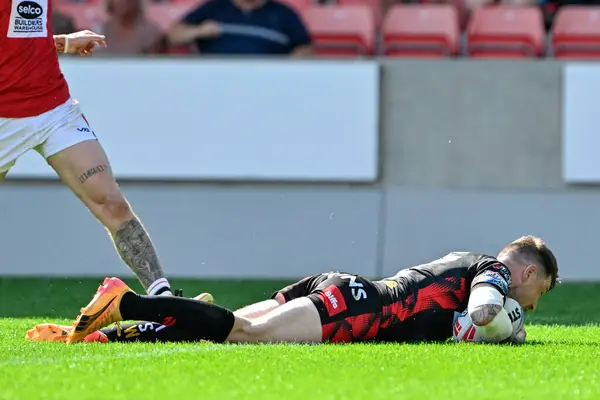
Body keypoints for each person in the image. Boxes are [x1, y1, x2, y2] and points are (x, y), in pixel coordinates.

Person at [28, 236, 559, 345]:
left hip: (345, 287)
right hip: (360, 309)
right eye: (536, 299)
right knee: (244, 333)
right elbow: (488, 308)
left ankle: (105, 334)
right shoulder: (490, 270)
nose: (531, 308)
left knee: (228, 324)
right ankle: (127, 300)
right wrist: (512, 332)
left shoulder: (461, 255)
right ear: (528, 275)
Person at [0, 0, 172, 296]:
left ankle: (165, 301)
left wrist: (63, 42)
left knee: (112, 203)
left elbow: (18, 34)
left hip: (53, 110)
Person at [168, 0, 312, 55]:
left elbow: (305, 48)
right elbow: (173, 35)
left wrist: (286, 71)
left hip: (268, 83)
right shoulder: (214, 7)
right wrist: (198, 31)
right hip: (215, 80)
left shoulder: (284, 13)